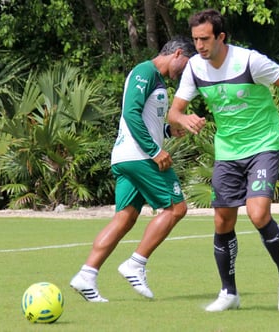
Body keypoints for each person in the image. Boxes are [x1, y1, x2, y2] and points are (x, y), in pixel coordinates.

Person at [168, 9, 279, 312]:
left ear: (221, 37)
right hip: (227, 152)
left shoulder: (249, 61)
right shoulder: (194, 67)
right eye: (195, 40)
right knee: (222, 220)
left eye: (205, 39)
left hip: (262, 145)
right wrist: (183, 118)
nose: (200, 45)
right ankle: (229, 292)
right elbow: (174, 111)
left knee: (258, 214)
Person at [70, 36, 196, 302]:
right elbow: (130, 113)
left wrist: (168, 131)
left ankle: (86, 275)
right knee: (177, 208)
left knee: (124, 218)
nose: (186, 70)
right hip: (140, 157)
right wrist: (155, 151)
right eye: (187, 63)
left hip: (127, 157)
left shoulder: (157, 80)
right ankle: (136, 264)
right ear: (178, 53)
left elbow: (145, 121)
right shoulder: (145, 71)